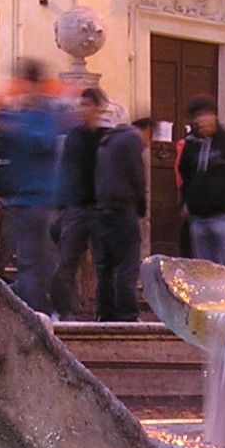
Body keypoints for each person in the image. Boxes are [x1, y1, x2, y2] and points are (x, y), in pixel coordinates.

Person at [0, 59, 66, 314]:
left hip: (40, 199)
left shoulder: (45, 112)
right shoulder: (19, 114)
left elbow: (45, 143)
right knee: (29, 261)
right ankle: (35, 309)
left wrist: (14, 128)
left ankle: (41, 310)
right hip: (20, 199)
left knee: (39, 261)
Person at [48, 87, 109, 318]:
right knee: (67, 262)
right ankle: (67, 310)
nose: (83, 110)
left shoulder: (106, 137)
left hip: (100, 208)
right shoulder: (74, 136)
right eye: (82, 105)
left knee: (103, 262)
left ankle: (101, 309)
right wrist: (61, 204)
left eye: (88, 105)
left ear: (99, 107)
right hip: (76, 207)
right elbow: (65, 169)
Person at [175, 96, 225, 271]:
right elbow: (185, 175)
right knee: (205, 271)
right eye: (196, 116)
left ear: (214, 116)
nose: (200, 120)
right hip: (198, 218)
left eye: (204, 115)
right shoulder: (190, 145)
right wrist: (185, 203)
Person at [92, 115, 151, 321]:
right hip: (123, 209)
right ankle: (128, 314)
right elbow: (137, 176)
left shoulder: (106, 141)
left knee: (105, 266)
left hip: (102, 210)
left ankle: (105, 312)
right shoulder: (132, 139)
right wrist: (141, 208)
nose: (147, 145)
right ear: (146, 131)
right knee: (127, 265)